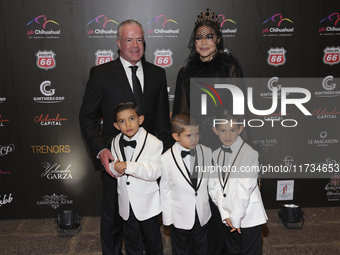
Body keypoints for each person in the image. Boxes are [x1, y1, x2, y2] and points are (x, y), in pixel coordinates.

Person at [79, 19, 171, 255]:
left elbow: (162, 122)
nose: (135, 45)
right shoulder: (100, 74)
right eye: (129, 40)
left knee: (148, 218)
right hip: (115, 160)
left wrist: (164, 158)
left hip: (148, 161)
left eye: (139, 39)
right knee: (112, 218)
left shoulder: (158, 74)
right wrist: (101, 150)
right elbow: (87, 117)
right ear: (118, 43)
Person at [210, 109, 267, 255]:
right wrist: (225, 215)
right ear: (215, 130)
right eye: (223, 130)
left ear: (240, 129)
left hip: (247, 215)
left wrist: (235, 219)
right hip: (227, 217)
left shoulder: (249, 154)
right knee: (230, 251)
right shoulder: (214, 154)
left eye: (232, 130)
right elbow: (214, 187)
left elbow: (244, 189)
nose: (227, 135)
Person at [109, 102, 163, 255]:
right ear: (116, 125)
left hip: (147, 203)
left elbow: (155, 172)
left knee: (153, 240)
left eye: (132, 118)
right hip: (126, 202)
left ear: (141, 119)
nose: (128, 124)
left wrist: (128, 166)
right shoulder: (115, 141)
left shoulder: (155, 143)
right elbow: (114, 167)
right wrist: (116, 168)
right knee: (132, 241)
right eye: (122, 121)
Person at [172, 9, 244, 118]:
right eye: (199, 38)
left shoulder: (230, 70)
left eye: (209, 37)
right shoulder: (185, 73)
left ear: (218, 39)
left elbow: (239, 112)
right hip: (195, 134)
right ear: (194, 41)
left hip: (224, 133)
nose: (204, 42)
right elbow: (182, 115)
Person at [160, 113, 212, 255]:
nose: (194, 139)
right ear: (176, 136)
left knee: (202, 247)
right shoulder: (166, 158)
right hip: (179, 214)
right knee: (180, 249)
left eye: (197, 134)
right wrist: (167, 218)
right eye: (189, 135)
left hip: (202, 212)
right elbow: (164, 190)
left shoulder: (207, 152)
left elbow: (212, 184)